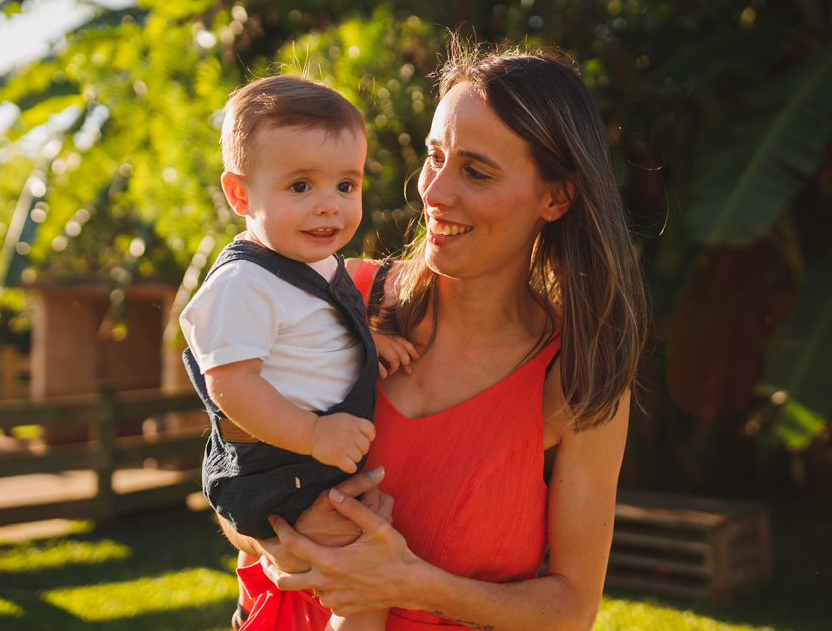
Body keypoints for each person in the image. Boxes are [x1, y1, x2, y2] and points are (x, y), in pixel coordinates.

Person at [220, 44, 648, 631]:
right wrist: (283, 537)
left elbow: (572, 609)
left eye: (476, 172)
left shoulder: (577, 378)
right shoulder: (337, 296)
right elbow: (228, 469)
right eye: (435, 157)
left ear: (556, 197)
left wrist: (410, 584)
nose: (435, 192)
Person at [179, 74, 417, 631]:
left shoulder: (316, 264)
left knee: (358, 553)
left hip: (308, 465)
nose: (329, 206)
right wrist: (313, 434)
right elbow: (230, 385)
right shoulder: (242, 284)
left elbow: (311, 335)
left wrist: (366, 342)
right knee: (363, 570)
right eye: (301, 186)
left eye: (346, 185)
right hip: (282, 466)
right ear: (240, 194)